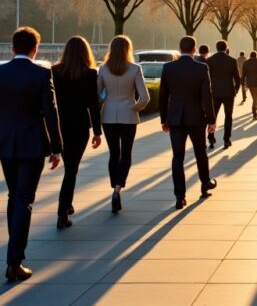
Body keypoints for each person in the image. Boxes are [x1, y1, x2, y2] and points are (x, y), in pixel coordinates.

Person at [0, 27, 62, 282]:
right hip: (32, 144)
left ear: (13, 48)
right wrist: (57, 148)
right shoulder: (41, 73)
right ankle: (14, 262)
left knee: (14, 196)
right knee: (25, 199)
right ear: (35, 49)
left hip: (5, 144)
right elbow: (50, 112)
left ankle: (14, 256)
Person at [159, 36, 217, 210]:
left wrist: (164, 119)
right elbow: (207, 96)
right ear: (194, 49)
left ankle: (179, 196)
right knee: (200, 152)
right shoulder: (201, 68)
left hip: (175, 118)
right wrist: (211, 120)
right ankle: (205, 184)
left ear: (179, 48)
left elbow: (163, 96)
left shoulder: (168, 68)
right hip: (196, 117)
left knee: (178, 157)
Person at [52, 36, 102, 230]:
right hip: (80, 127)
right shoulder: (90, 74)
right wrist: (97, 132)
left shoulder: (55, 72)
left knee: (69, 168)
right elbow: (93, 105)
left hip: (60, 126)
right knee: (72, 170)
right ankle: (62, 212)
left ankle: (67, 204)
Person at [98, 35, 149, 213]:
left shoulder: (103, 68)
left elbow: (98, 95)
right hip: (128, 116)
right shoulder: (135, 68)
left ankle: (114, 187)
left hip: (108, 116)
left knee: (114, 153)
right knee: (126, 153)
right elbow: (145, 97)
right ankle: (118, 188)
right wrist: (134, 107)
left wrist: (107, 102)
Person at [206, 40, 241, 149]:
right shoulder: (232, 60)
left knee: (213, 116)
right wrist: (235, 90)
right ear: (226, 48)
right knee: (228, 116)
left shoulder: (209, 60)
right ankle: (227, 139)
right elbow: (237, 78)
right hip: (229, 93)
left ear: (216, 48)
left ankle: (211, 138)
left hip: (215, 92)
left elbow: (206, 79)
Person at [241, 51, 257, 119]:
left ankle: (254, 109)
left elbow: (243, 75)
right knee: (256, 98)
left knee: (254, 97)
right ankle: (254, 111)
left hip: (249, 83)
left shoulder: (246, 63)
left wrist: (243, 84)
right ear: (256, 55)